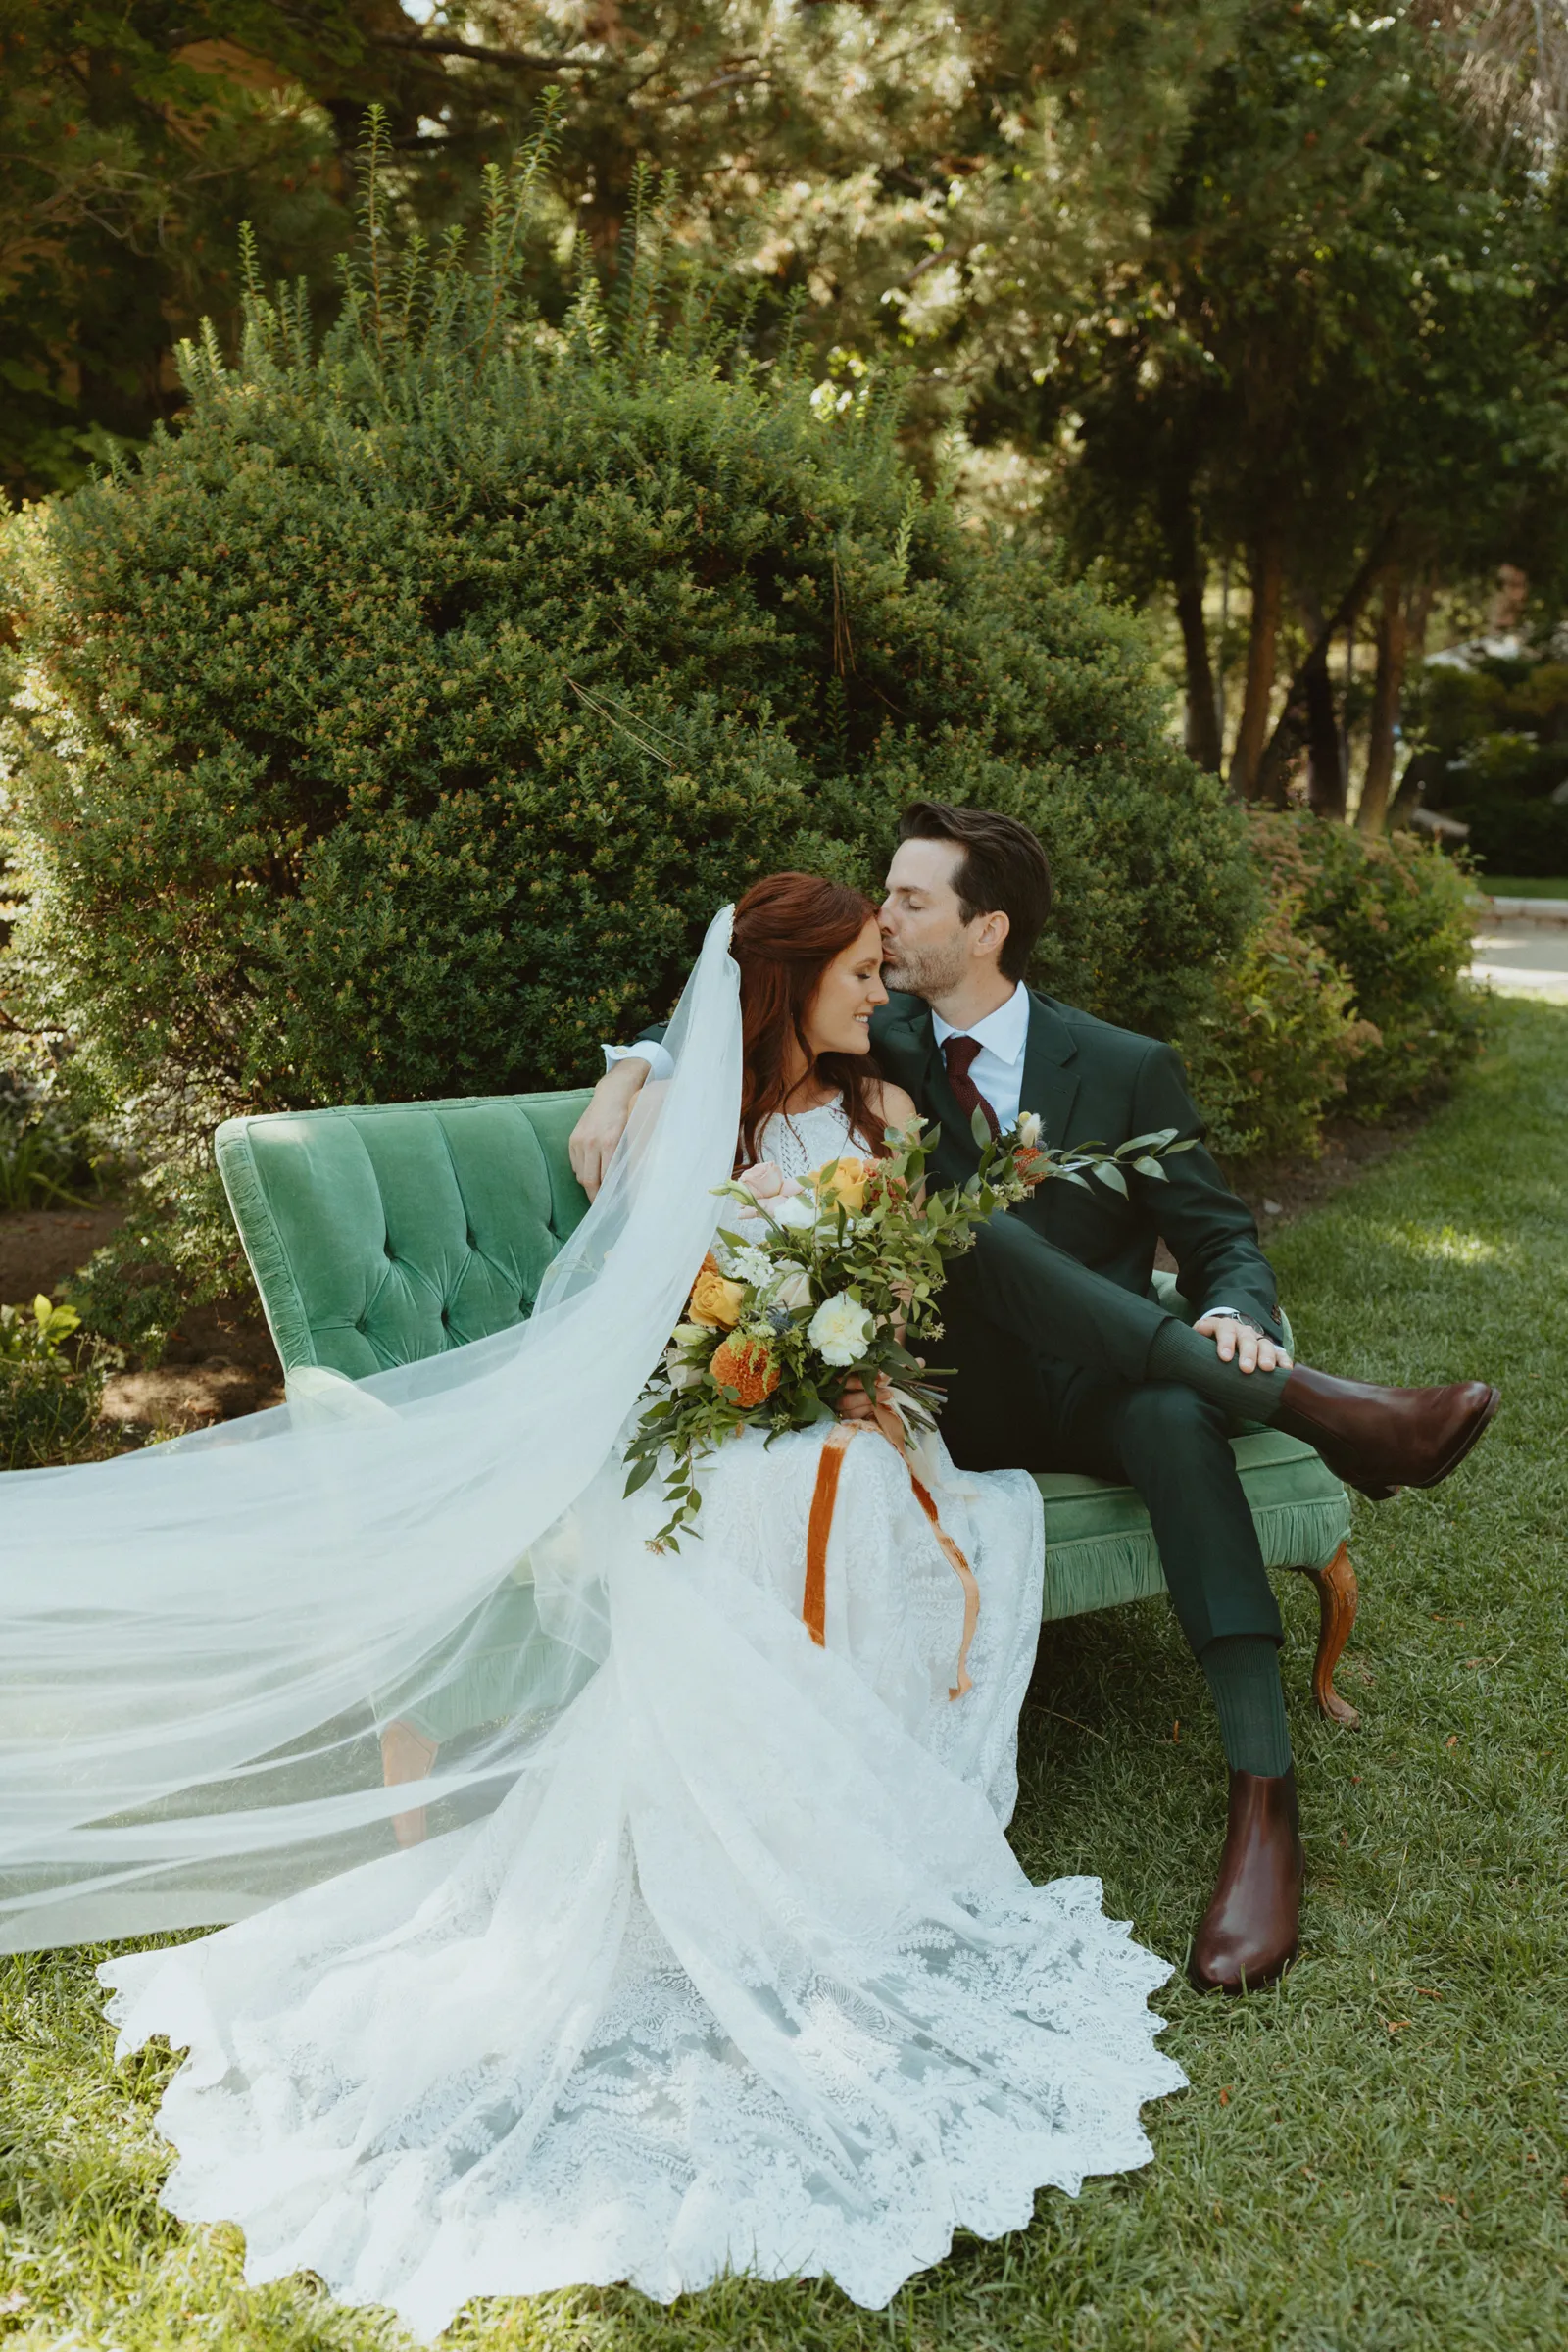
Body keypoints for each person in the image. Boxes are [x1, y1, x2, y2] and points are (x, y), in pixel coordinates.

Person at [3, 877, 1187, 2341]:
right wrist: (653, 1095)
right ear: (790, 984)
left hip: (834, 1408)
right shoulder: (695, 1114)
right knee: (770, 1493)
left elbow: (891, 1284)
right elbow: (669, 1289)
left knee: (852, 1481)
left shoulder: (880, 1114)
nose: (881, 992)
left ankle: (831, 1787)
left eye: (888, 968)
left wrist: (849, 1360)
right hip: (705, 1419)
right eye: (860, 973)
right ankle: (770, 1816)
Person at [573, 804, 1499, 1994]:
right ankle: (1328, 1413)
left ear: (986, 926)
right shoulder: (879, 1032)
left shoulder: (1121, 1065)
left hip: (1104, 1394)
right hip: (948, 1398)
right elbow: (733, 1003)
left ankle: (1262, 1805)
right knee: (962, 1223)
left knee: (1170, 1413)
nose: (884, 918)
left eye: (908, 901)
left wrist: (1238, 1318)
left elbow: (1221, 1240)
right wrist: (630, 1071)